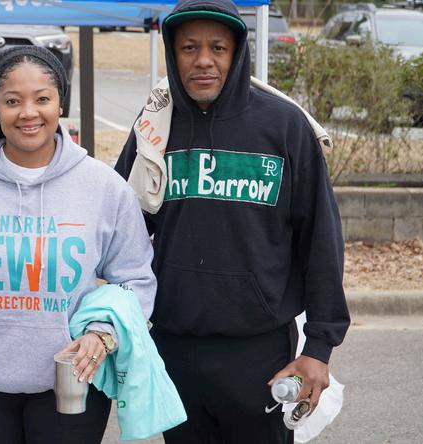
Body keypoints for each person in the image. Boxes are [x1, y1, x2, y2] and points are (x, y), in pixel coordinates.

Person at [114, 0, 351, 442]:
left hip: (261, 354)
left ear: (237, 52)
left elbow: (321, 239)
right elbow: (121, 230)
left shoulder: (284, 126)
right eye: (189, 48)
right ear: (172, 53)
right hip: (175, 348)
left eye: (218, 48)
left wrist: (319, 346)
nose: (203, 60)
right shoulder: (153, 128)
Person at [0, 46, 157, 444]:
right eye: (13, 101)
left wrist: (102, 333)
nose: (28, 113)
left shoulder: (103, 187)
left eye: (42, 99)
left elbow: (136, 279)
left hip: (74, 385)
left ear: (60, 103)